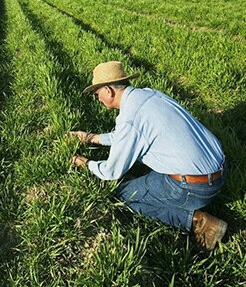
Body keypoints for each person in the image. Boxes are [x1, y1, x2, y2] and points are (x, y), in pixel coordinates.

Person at [69, 61, 227, 250]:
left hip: (196, 186)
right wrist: (92, 138)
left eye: (97, 94)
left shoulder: (130, 118)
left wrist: (86, 163)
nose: (98, 99)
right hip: (221, 169)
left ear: (108, 91)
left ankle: (199, 222)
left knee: (122, 195)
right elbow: (127, 136)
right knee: (139, 180)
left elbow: (110, 172)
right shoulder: (151, 95)